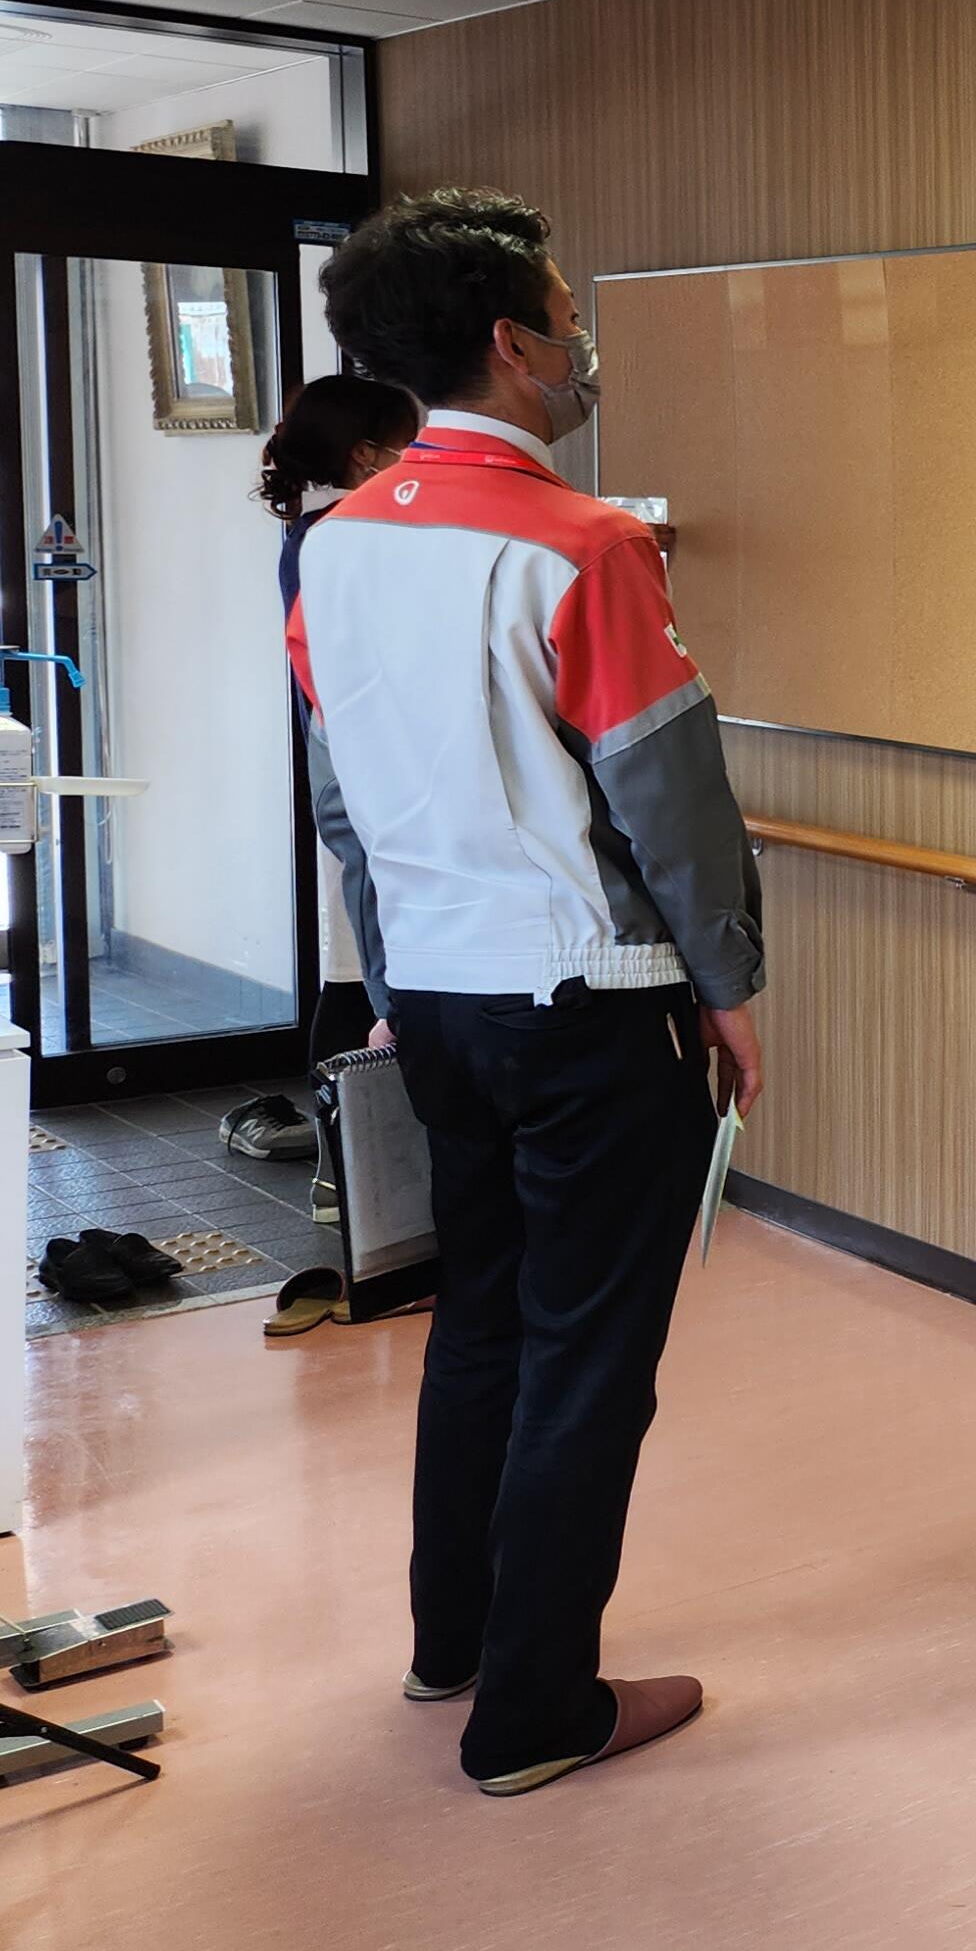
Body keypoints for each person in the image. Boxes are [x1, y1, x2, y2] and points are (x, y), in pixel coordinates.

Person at [289, 188, 763, 1799]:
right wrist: (731, 989)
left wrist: (392, 977)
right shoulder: (585, 541)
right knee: (589, 1354)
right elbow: (669, 800)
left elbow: (343, 806)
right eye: (567, 319)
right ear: (510, 342)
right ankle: (537, 1710)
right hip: (590, 998)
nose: (581, 346)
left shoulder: (338, 548)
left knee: (482, 1318)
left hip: (434, 1001)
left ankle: (456, 1643)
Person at [260, 372, 421, 615]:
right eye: (408, 444)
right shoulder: (346, 531)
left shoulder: (319, 529)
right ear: (364, 454)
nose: (415, 455)